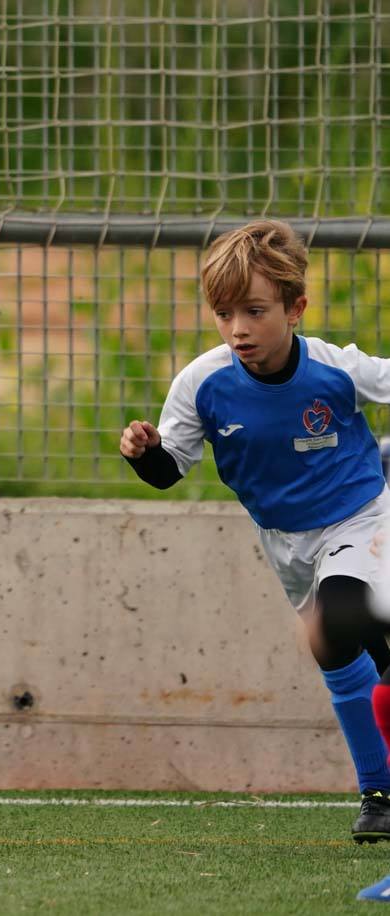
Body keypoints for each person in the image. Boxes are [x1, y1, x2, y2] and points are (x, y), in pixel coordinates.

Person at [120, 218, 390, 846]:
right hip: (285, 543)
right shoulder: (202, 383)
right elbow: (169, 472)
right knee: (337, 649)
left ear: (296, 308)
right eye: (224, 313)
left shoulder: (336, 370)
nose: (238, 328)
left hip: (363, 519)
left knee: (342, 615)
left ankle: (378, 791)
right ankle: (381, 790)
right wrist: (143, 452)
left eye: (255, 310)